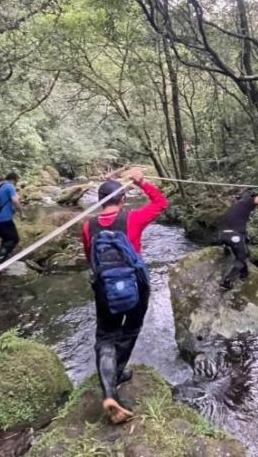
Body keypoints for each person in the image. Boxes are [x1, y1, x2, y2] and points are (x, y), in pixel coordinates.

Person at [81, 167, 169, 424]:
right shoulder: (133, 218)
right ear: (122, 200)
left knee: (106, 335)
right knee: (130, 330)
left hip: (104, 287)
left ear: (100, 202)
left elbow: (91, 260)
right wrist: (141, 181)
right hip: (135, 284)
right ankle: (117, 374)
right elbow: (161, 202)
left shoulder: (88, 226)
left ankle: (110, 391)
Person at [0, 172, 24, 263]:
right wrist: (21, 213)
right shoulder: (9, 186)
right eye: (17, 180)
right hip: (4, 219)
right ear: (13, 179)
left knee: (6, 239)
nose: (17, 183)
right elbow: (15, 201)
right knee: (14, 239)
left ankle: (2, 259)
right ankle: (1, 257)